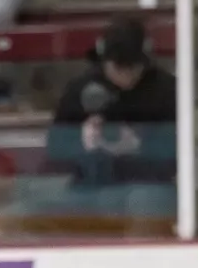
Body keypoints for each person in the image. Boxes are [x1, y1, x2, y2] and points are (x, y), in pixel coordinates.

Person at [45, 15, 177, 218]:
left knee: (144, 202)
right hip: (92, 181)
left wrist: (140, 148)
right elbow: (55, 146)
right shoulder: (80, 89)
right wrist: (82, 141)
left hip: (149, 182)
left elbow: (179, 149)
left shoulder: (166, 90)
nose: (125, 77)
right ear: (104, 60)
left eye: (132, 68)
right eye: (118, 69)